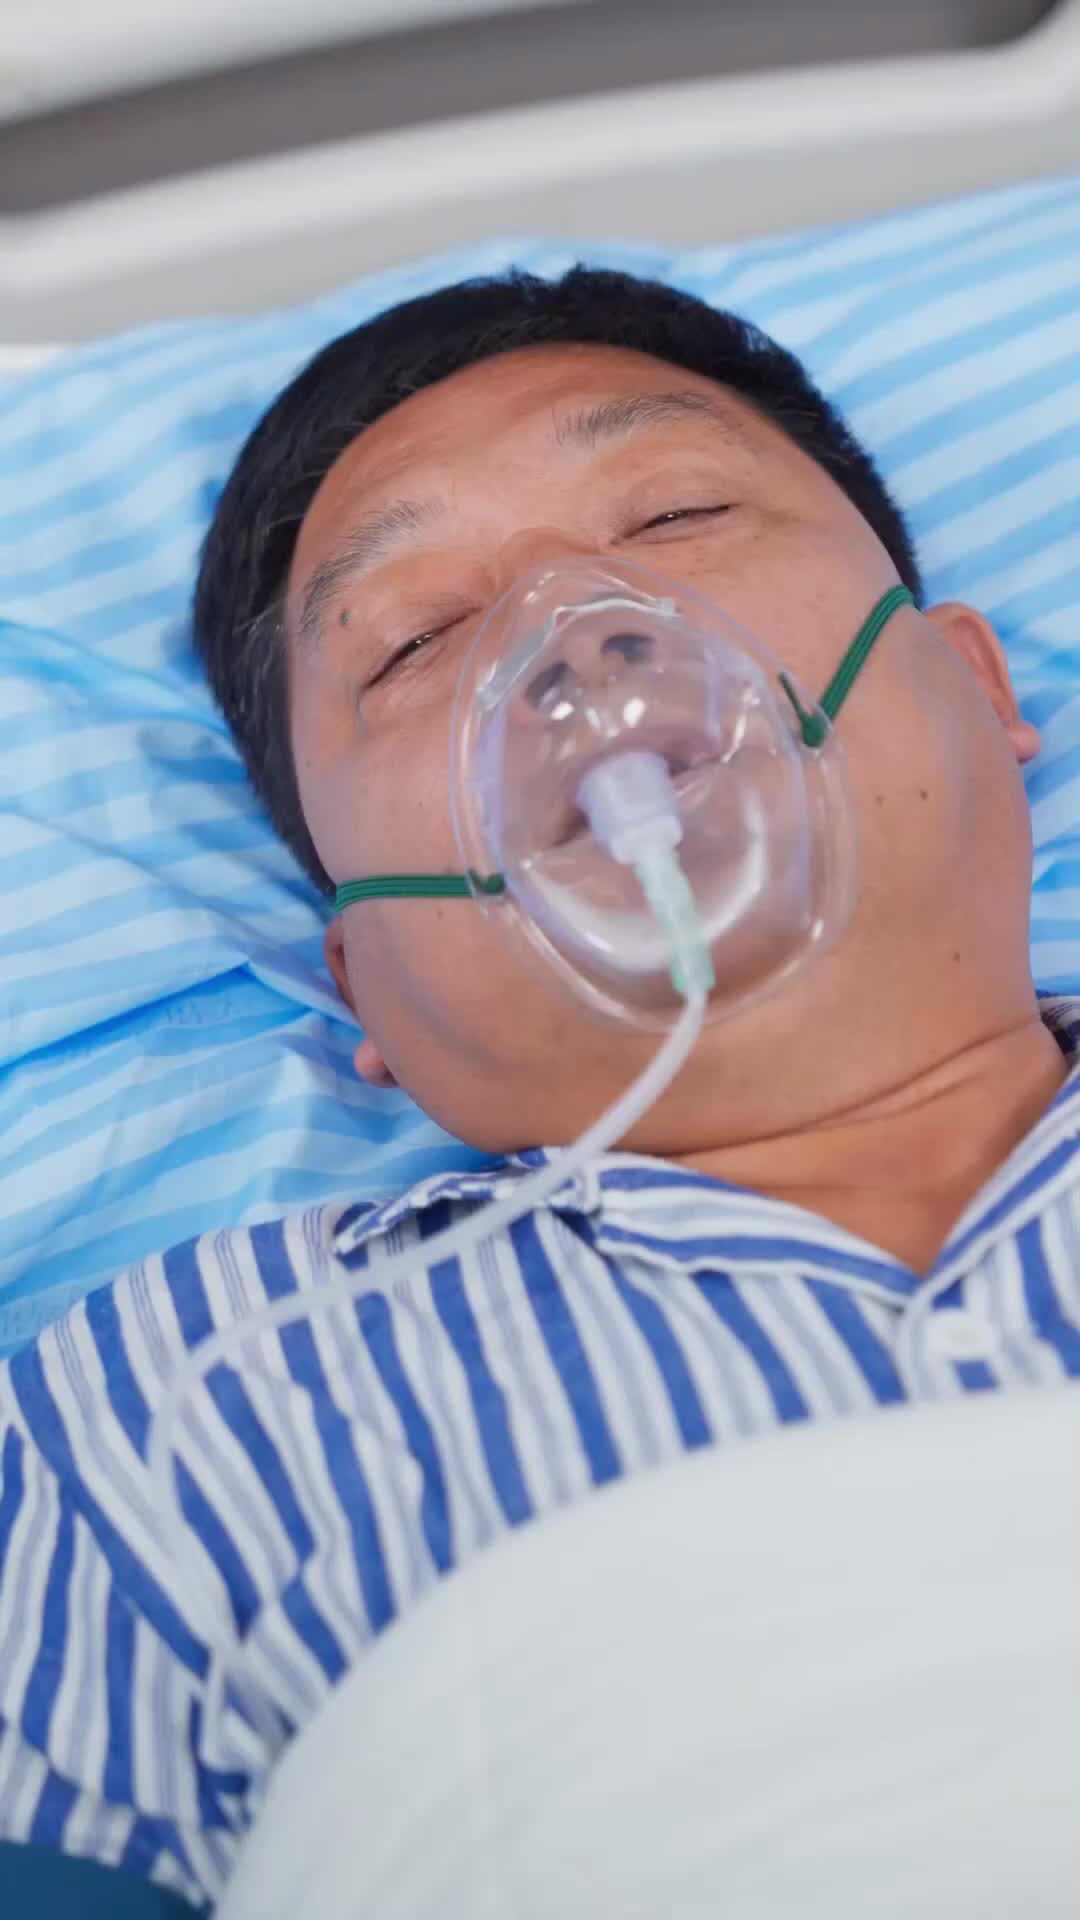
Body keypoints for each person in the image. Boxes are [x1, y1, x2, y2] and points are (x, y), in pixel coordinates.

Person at [1, 267, 1078, 1915]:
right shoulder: (172, 1413)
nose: (580, 642)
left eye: (679, 513)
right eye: (414, 640)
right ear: (364, 982)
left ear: (980, 691)